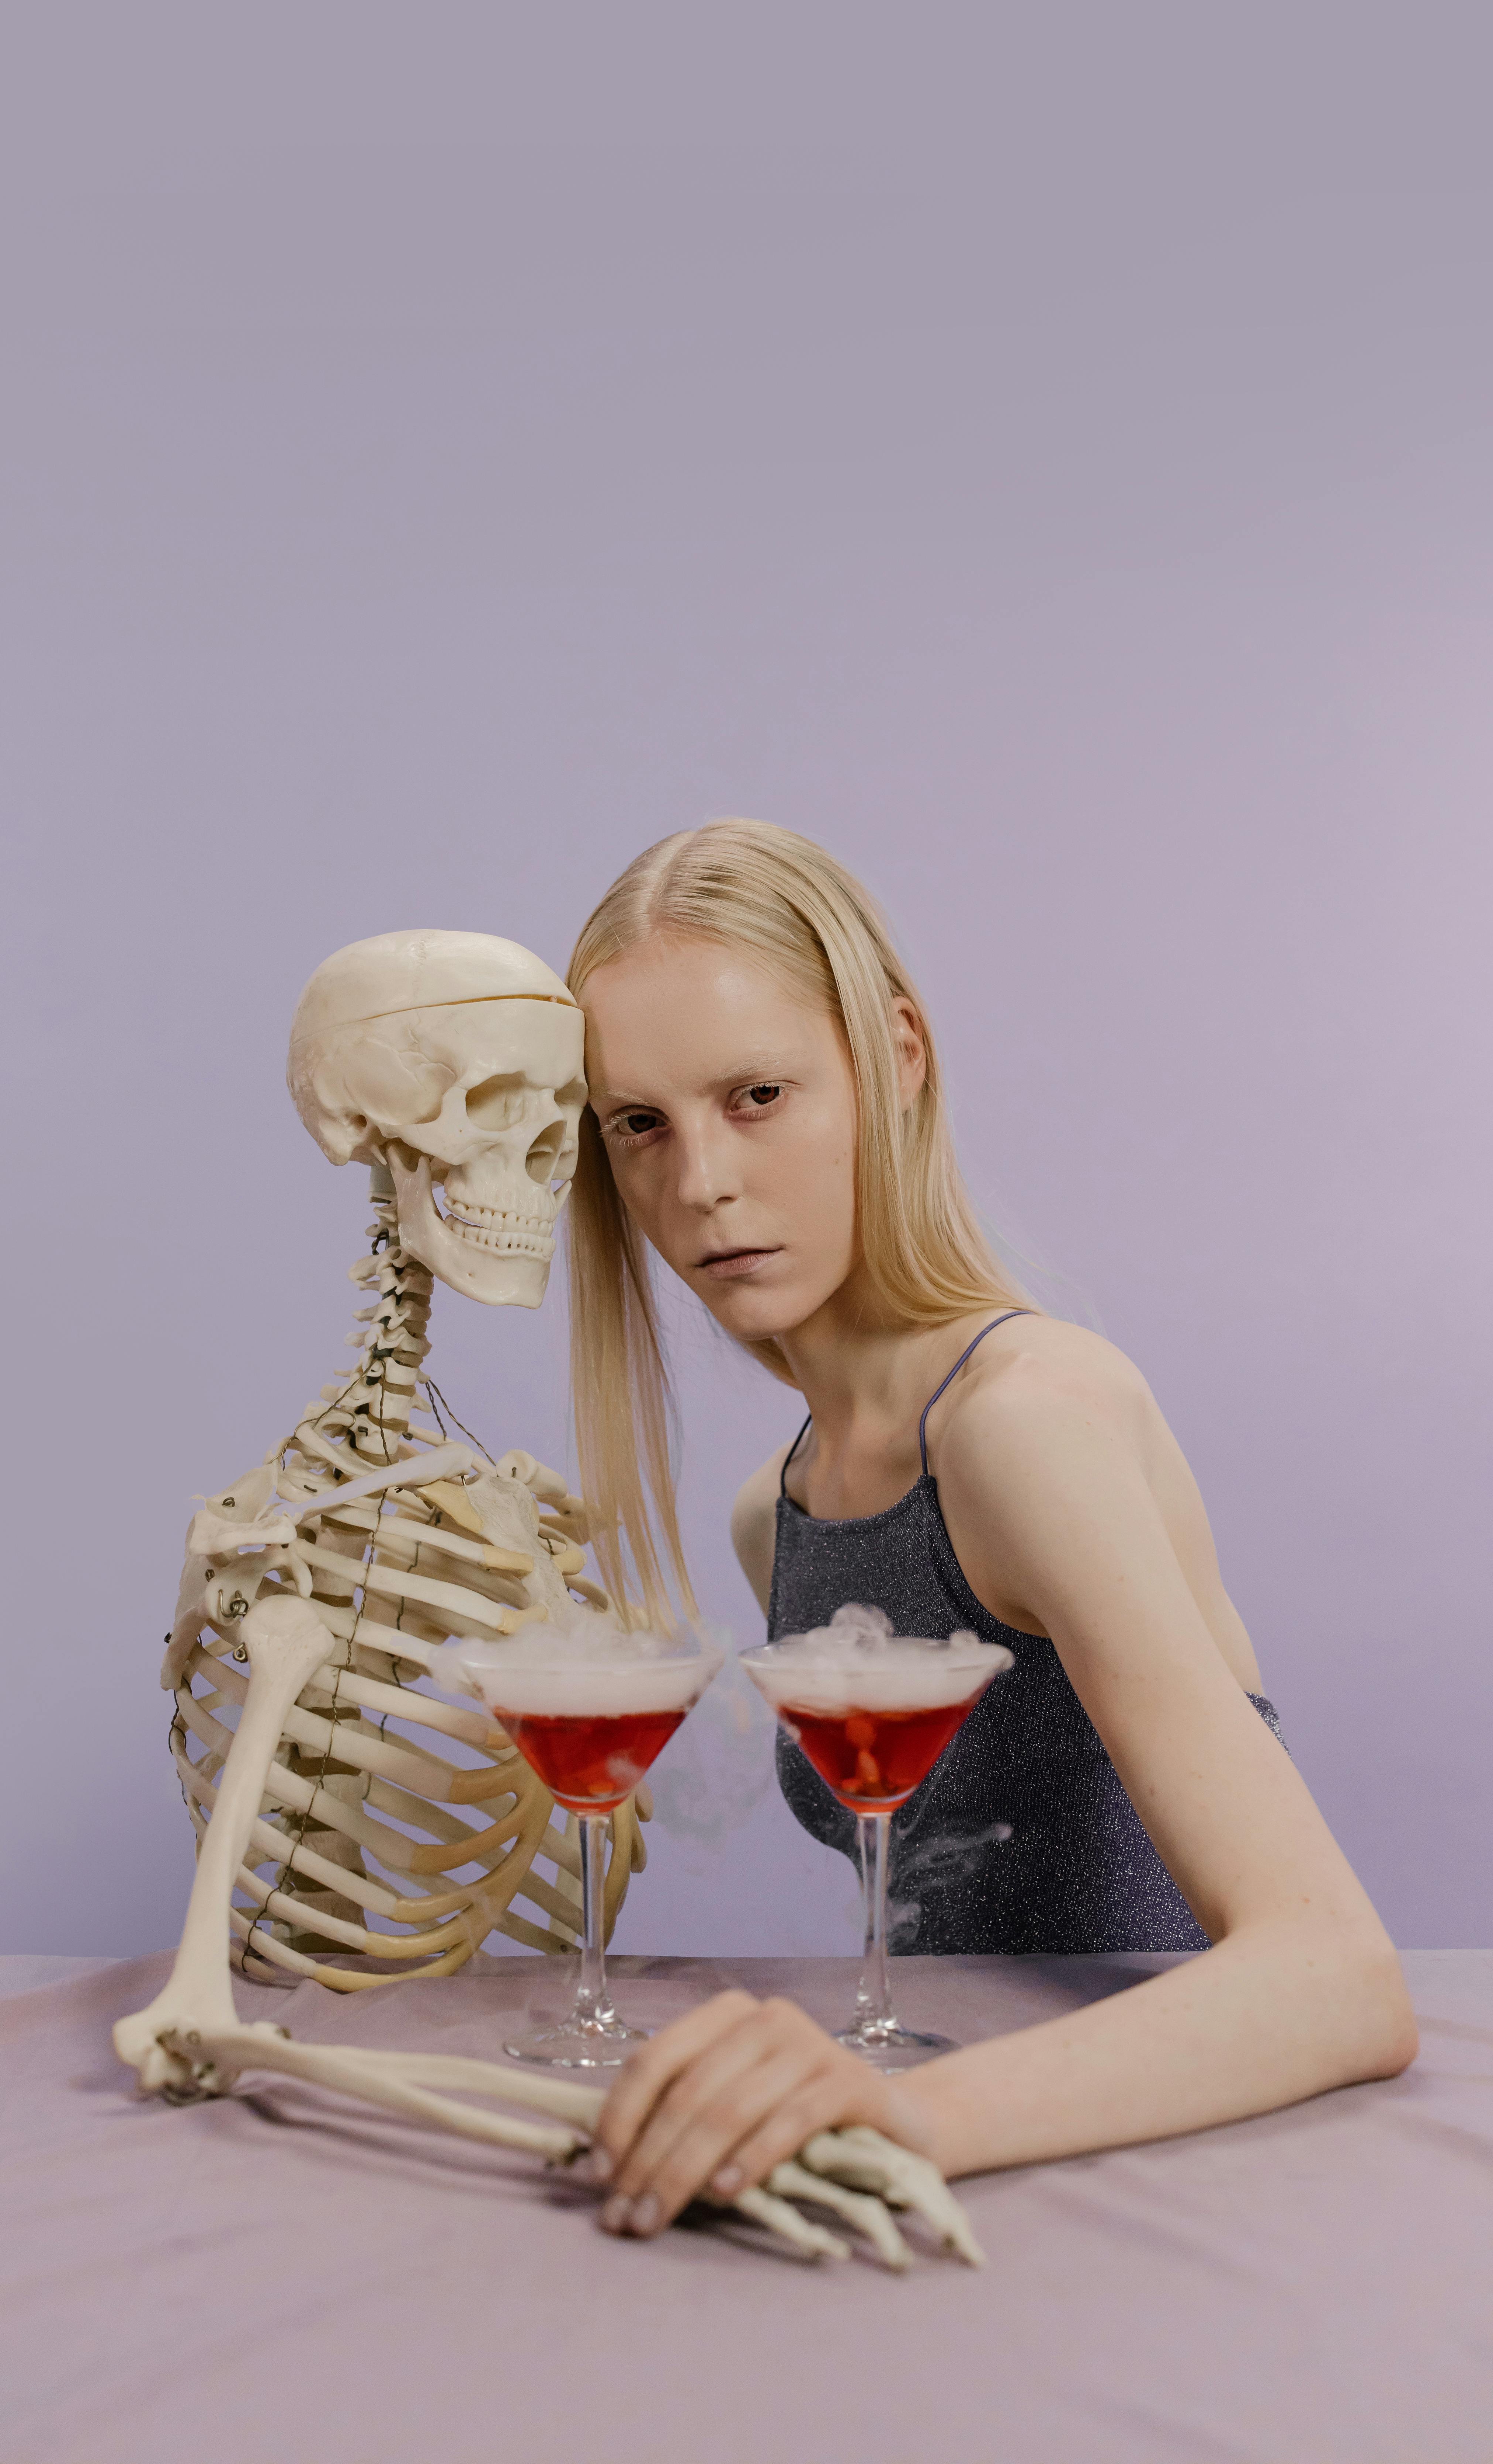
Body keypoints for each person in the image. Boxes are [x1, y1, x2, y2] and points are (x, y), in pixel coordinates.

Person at [561, 818, 1415, 2241]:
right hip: (974, 2193)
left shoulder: (1023, 1421)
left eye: (758, 1094)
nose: (697, 1180)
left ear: (897, 1059)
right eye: (639, 1124)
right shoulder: (772, 1517)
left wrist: (907, 2116)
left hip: (1167, 2195)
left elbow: (1340, 1975)